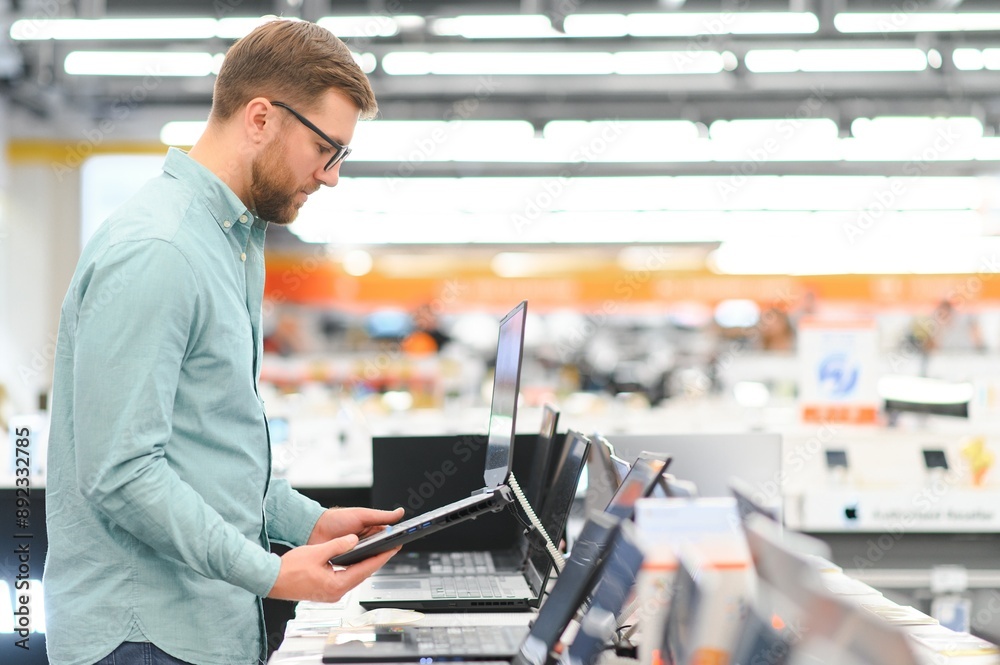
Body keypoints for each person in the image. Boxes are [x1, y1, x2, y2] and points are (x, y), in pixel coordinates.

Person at [44, 19, 404, 665]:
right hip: (145, 635)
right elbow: (122, 473)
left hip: (199, 623)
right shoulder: (160, 249)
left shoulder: (231, 243)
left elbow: (211, 447)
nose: (331, 177)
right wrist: (272, 572)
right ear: (260, 118)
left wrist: (309, 522)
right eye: (327, 148)